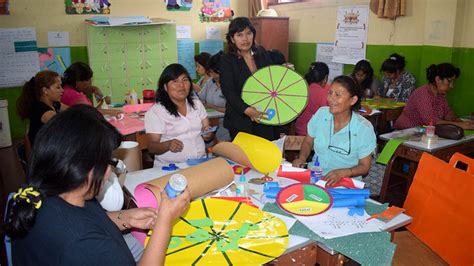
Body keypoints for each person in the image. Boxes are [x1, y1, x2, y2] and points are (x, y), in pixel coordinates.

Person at [4, 105, 190, 265]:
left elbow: (87, 219)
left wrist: (124, 218)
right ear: (86, 169)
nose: (109, 172)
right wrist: (165, 222)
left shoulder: (57, 190)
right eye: (109, 161)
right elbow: (86, 234)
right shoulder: (82, 243)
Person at [292, 76, 376, 186]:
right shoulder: (321, 114)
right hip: (316, 177)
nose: (331, 99)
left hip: (345, 183)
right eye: (330, 93)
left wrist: (345, 172)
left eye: (337, 95)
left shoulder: (363, 128)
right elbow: (308, 142)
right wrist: (302, 158)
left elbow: (365, 166)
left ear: (353, 100)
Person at [220, 17, 284, 141]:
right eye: (240, 35)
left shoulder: (262, 53)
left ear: (253, 35)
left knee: (265, 155)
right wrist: (247, 110)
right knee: (243, 158)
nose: (245, 39)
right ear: (232, 39)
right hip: (240, 120)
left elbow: (271, 80)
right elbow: (229, 92)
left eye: (249, 33)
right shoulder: (227, 60)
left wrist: (282, 73)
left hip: (264, 115)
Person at [145, 64, 214, 167]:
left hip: (199, 163)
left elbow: (207, 134)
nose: (181, 85)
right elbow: (152, 147)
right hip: (170, 168)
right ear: (165, 87)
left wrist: (208, 134)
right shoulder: (156, 111)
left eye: (185, 80)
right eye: (175, 81)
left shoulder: (196, 104)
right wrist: (168, 145)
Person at [395, 63, 474, 130]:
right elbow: (431, 122)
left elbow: (448, 114)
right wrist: (459, 125)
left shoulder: (441, 95)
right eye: (449, 81)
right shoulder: (423, 94)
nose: (452, 86)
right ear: (438, 79)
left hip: (423, 132)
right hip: (406, 131)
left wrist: (461, 122)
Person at [16, 70, 68, 145]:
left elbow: (73, 110)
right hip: (42, 153)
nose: (62, 90)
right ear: (45, 90)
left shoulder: (55, 104)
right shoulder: (42, 110)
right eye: (58, 87)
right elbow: (63, 128)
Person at [198, 51, 231, 142]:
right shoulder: (210, 82)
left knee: (222, 146)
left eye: (216, 72)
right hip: (211, 123)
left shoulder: (231, 85)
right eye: (211, 72)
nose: (214, 75)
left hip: (226, 125)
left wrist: (213, 107)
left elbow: (233, 109)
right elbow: (200, 98)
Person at [295, 62, 330, 136]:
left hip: (299, 128)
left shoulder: (303, 87)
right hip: (311, 133)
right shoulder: (323, 94)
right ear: (325, 78)